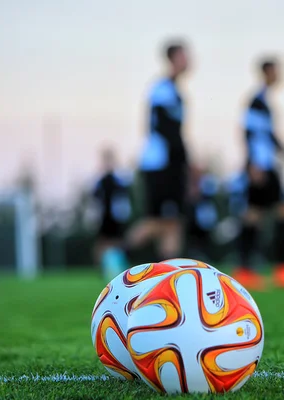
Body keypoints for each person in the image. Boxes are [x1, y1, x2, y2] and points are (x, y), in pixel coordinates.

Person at [103, 41, 191, 271]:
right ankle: (117, 253)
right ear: (172, 58)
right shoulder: (162, 89)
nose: (189, 60)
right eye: (184, 55)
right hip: (160, 164)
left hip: (170, 163)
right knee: (157, 220)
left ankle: (169, 272)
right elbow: (165, 128)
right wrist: (184, 159)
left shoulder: (174, 90)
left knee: (173, 221)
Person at [232, 57, 284, 291]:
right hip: (261, 167)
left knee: (259, 215)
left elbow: (271, 136)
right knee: (275, 213)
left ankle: (252, 270)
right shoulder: (256, 101)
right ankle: (280, 270)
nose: (279, 75)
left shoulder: (265, 101)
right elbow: (248, 133)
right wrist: (253, 165)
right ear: (266, 72)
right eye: (276, 71)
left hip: (266, 165)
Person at [92, 148, 133, 279]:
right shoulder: (100, 182)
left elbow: (124, 201)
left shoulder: (119, 181)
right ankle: (103, 269)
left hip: (116, 219)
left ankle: (122, 270)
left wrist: (123, 216)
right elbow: (95, 201)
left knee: (118, 243)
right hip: (104, 218)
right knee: (102, 244)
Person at [185, 166, 219, 261]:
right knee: (193, 236)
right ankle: (195, 254)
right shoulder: (190, 181)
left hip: (205, 212)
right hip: (195, 212)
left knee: (205, 236)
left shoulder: (206, 181)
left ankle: (204, 255)